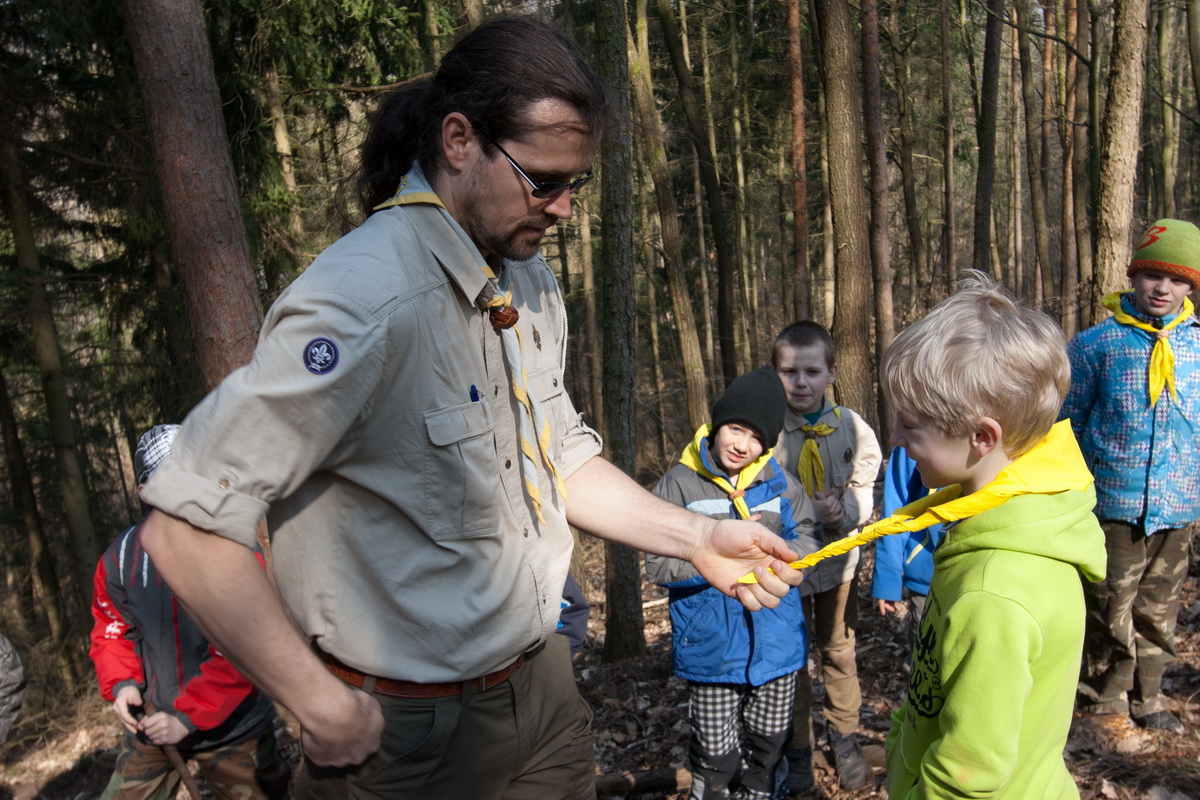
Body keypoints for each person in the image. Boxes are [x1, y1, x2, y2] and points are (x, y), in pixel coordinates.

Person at [137, 17, 803, 800]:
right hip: (404, 738)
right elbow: (185, 527)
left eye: (576, 184)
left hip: (543, 692)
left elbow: (561, 456)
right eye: (542, 180)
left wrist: (696, 537)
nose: (563, 208)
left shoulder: (526, 281)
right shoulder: (360, 303)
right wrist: (316, 703)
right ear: (459, 141)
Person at [882, 273, 1106, 800]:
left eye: (910, 426)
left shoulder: (994, 592)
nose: (894, 438)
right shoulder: (1009, 519)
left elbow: (969, 774)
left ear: (982, 437)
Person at [646, 367, 821, 800]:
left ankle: (762, 793)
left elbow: (809, 541)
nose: (743, 444)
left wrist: (776, 555)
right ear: (716, 424)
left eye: (756, 438)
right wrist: (713, 561)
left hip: (777, 643)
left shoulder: (781, 484)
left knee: (770, 744)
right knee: (715, 752)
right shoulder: (678, 485)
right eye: (736, 429)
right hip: (711, 649)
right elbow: (658, 565)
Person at [90, 425, 289, 800]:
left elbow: (246, 646)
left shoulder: (233, 548)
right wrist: (123, 684)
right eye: (169, 479)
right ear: (144, 491)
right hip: (152, 722)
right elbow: (111, 629)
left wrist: (187, 717)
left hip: (234, 728)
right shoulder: (121, 558)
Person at [1062, 218, 1200, 734]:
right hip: (1113, 505)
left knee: (1159, 609)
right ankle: (1105, 700)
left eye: (1177, 279)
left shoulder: (1197, 348)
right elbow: (1068, 424)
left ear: (1191, 287)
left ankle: (1150, 697)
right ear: (1133, 276)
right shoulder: (1096, 345)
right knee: (1108, 604)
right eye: (1152, 276)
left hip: (1178, 504)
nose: (1163, 289)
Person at [771, 321, 881, 792]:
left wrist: (845, 510)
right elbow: (752, 495)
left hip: (838, 565)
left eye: (812, 372)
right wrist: (803, 512)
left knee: (838, 650)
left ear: (831, 373)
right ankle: (798, 747)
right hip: (787, 568)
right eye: (789, 372)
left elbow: (865, 485)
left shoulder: (854, 429)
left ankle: (844, 734)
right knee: (791, 659)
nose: (801, 383)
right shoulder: (766, 430)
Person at [870, 447, 943, 672]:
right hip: (927, 578)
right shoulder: (911, 439)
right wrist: (887, 579)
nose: (895, 437)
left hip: (987, 576)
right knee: (925, 660)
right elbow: (896, 509)